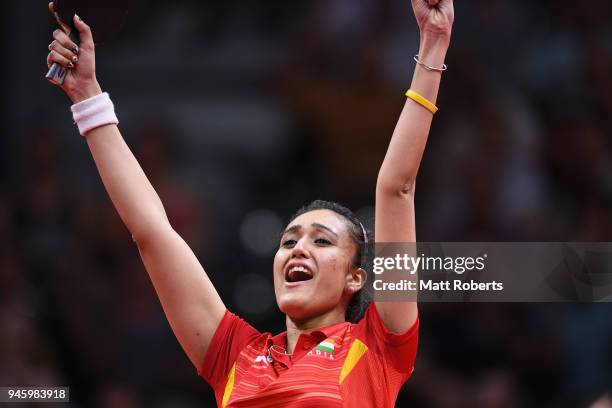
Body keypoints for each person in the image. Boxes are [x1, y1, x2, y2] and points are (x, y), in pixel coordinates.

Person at [45, 0, 454, 406]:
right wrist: (86, 96)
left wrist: (433, 46)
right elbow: (152, 231)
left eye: (323, 241)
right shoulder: (235, 355)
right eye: (289, 241)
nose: (298, 249)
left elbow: (396, 187)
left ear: (356, 278)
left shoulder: (378, 347)